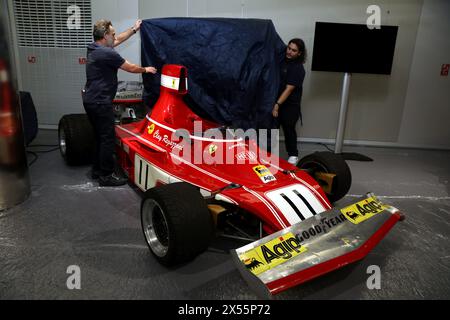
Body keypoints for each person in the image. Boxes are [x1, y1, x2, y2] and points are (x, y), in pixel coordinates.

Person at [82, 19, 157, 186]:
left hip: (91, 100)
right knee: (108, 138)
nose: (115, 37)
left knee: (99, 137)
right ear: (105, 35)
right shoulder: (107, 53)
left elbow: (118, 40)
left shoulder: (94, 47)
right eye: (112, 34)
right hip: (100, 102)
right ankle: (106, 176)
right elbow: (129, 67)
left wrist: (134, 29)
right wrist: (146, 69)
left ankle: (97, 170)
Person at [272, 38, 306, 165]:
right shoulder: (282, 62)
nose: (290, 52)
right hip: (276, 103)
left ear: (299, 53)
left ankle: (293, 155)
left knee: (288, 129)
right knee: (272, 129)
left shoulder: (298, 68)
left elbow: (289, 89)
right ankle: (270, 155)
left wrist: (277, 105)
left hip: (290, 106)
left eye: (294, 50)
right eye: (289, 48)